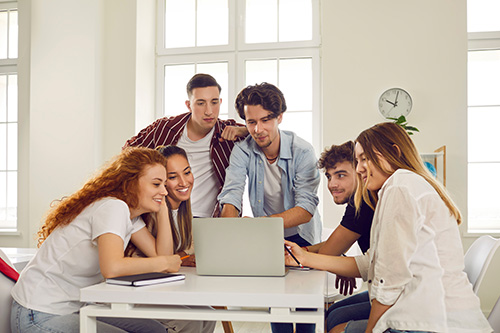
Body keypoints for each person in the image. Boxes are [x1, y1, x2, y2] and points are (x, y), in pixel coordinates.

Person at [284, 122, 492, 333]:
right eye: (357, 161)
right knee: (336, 319)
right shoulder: (398, 187)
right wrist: (305, 257)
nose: (359, 168)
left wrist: (372, 330)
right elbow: (371, 264)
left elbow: (389, 279)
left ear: (393, 151)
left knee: (336, 328)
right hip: (427, 306)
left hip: (432, 318)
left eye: (365, 159)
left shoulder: (400, 187)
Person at [11, 147, 182, 333]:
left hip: (75, 309)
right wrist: (164, 262)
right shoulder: (113, 207)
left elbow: (163, 257)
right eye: (156, 184)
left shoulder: (129, 215)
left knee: (154, 330)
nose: (165, 191)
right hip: (39, 312)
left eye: (164, 184)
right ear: (130, 183)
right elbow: (113, 268)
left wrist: (163, 209)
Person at [218, 82, 321, 333]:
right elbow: (232, 193)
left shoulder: (303, 151)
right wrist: (227, 230)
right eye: (251, 122)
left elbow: (305, 208)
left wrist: (256, 227)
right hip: (270, 237)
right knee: (278, 304)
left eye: (266, 120)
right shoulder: (242, 151)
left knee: (305, 307)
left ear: (280, 117)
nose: (258, 129)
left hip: (302, 235)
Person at [124, 73, 248, 218]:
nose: (209, 111)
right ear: (189, 105)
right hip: (163, 216)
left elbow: (264, 134)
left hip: (207, 220)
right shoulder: (165, 128)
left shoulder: (229, 132)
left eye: (214, 102)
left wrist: (243, 130)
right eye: (201, 103)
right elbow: (127, 153)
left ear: (220, 102)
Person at [307, 141, 374, 332]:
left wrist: (301, 254)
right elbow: (335, 244)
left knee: (335, 322)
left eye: (341, 175)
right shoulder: (360, 201)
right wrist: (302, 250)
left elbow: (328, 251)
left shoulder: (362, 205)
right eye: (329, 177)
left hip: (403, 298)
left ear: (361, 172)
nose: (332, 184)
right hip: (382, 290)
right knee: (333, 312)